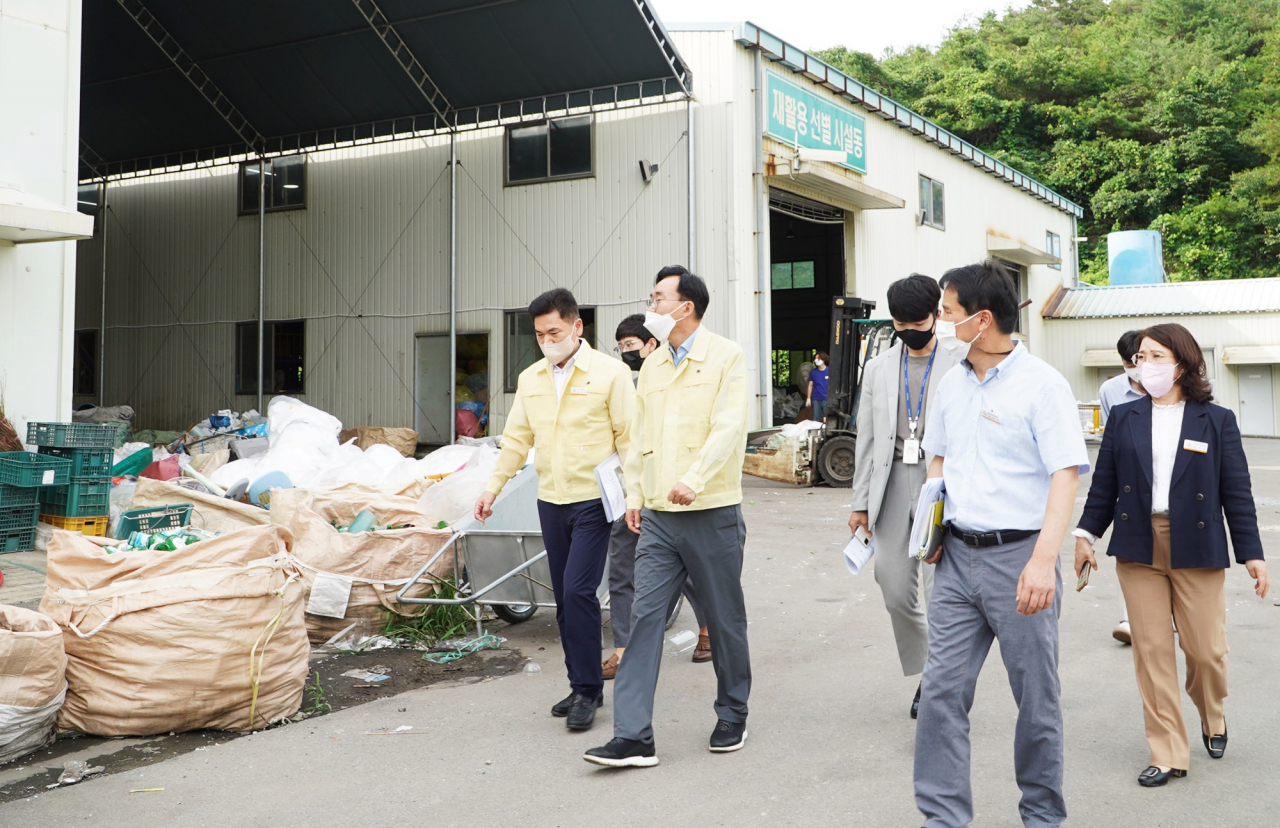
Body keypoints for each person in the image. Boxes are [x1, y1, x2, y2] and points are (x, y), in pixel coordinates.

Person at [914, 260, 1088, 828]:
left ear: (982, 319)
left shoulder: (1043, 385)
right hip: (956, 560)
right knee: (940, 695)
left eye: (946, 312)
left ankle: (1041, 815)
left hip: (1020, 559)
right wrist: (931, 530)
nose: (939, 321)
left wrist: (1043, 562)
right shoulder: (951, 380)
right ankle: (943, 818)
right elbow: (938, 460)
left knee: (1036, 701)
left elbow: (1066, 473)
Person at [1074, 323, 1269, 788]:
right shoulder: (1125, 417)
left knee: (1205, 651)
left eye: (1157, 356)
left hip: (1197, 545)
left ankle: (1212, 711)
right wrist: (1085, 534)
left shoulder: (1216, 420)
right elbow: (1104, 485)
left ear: (1182, 362)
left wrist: (1253, 553)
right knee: (1152, 651)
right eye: (1141, 357)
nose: (1147, 365)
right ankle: (1167, 752)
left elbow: (1236, 492)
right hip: (1139, 544)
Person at [584, 266, 750, 768]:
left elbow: (729, 427)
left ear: (686, 307)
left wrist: (694, 479)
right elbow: (638, 440)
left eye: (658, 298)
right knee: (641, 619)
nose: (651, 306)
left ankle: (732, 711)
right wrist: (634, 495)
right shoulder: (652, 367)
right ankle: (634, 735)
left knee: (724, 621)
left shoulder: (726, 356)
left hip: (712, 511)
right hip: (656, 515)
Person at [473, 288, 635, 732]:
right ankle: (581, 682)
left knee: (579, 591)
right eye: (540, 334)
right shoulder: (531, 379)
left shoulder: (610, 374)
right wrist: (493, 489)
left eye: (555, 331)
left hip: (593, 500)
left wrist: (636, 496)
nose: (547, 340)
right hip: (552, 500)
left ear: (577, 327)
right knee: (564, 599)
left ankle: (587, 693)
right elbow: (517, 439)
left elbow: (630, 439)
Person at [849, 274, 958, 719]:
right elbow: (867, 440)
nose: (909, 329)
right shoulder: (877, 368)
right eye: (900, 323)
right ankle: (928, 665)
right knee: (893, 587)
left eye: (918, 321)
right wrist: (859, 504)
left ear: (935, 315)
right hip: (891, 482)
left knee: (941, 592)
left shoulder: (962, 360)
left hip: (945, 483)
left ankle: (938, 681)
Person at [604, 314, 710, 680]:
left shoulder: (677, 378)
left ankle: (708, 628)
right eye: (620, 348)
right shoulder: (622, 383)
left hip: (669, 490)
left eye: (631, 345)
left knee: (689, 566)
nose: (625, 354)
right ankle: (623, 648)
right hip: (627, 488)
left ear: (652, 344)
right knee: (620, 568)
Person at [1097, 330, 1146, 645]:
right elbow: (1108, 441)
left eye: (1139, 359)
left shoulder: (1174, 384)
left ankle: (1166, 614)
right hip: (1127, 480)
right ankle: (1129, 619)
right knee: (1128, 549)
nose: (1136, 367)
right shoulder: (1110, 390)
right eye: (1129, 362)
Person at [807, 352, 830, 421]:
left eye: (818, 358)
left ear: (823, 359)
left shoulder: (830, 371)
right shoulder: (813, 372)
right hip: (816, 399)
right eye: (815, 358)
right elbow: (810, 385)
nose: (816, 360)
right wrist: (808, 398)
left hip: (827, 399)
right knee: (815, 418)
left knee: (827, 419)